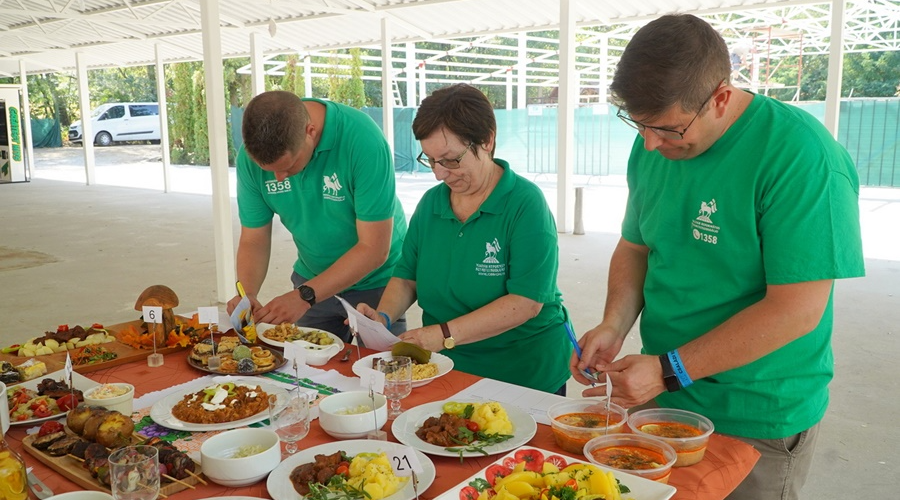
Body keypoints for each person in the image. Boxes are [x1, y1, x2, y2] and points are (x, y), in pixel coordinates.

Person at [570, 14, 865, 500]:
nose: (650, 144)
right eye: (639, 125)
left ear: (721, 97)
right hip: (659, 401)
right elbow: (636, 245)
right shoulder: (653, 144)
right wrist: (614, 324)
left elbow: (796, 309)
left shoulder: (802, 157)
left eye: (667, 128)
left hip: (755, 415)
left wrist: (669, 368)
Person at [356, 84, 572, 394]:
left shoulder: (525, 204)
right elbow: (407, 277)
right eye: (430, 160)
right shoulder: (432, 204)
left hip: (522, 372)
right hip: (447, 368)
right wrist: (384, 316)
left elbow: (526, 303)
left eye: (450, 160)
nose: (439, 174)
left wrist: (443, 334)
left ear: (486, 141)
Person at [228, 90, 408, 343]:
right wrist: (247, 294)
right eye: (270, 171)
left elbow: (374, 248)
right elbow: (253, 239)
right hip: (311, 277)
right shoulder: (251, 157)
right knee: (305, 371)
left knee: (385, 374)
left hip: (376, 282)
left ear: (310, 131)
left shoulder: (363, 141)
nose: (280, 178)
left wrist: (304, 297)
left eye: (288, 166)